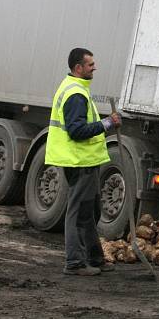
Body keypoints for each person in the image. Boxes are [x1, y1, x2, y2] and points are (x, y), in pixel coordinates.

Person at [45, 48, 121, 276]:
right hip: (79, 162)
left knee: (90, 211)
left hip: (84, 160)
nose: (94, 67)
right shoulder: (75, 94)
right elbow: (77, 131)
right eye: (90, 65)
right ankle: (74, 263)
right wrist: (107, 124)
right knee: (78, 212)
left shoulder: (77, 89)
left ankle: (94, 258)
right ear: (78, 68)